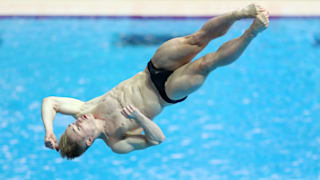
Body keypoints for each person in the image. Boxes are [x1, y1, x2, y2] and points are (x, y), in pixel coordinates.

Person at [41, 4, 269, 159]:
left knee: (197, 39)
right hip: (166, 93)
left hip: (152, 71)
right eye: (78, 127)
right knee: (207, 63)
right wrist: (139, 117)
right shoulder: (116, 142)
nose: (77, 121)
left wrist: (49, 130)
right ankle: (252, 31)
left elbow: (50, 101)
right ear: (89, 140)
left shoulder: (85, 108)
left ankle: (240, 13)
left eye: (72, 123)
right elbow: (157, 139)